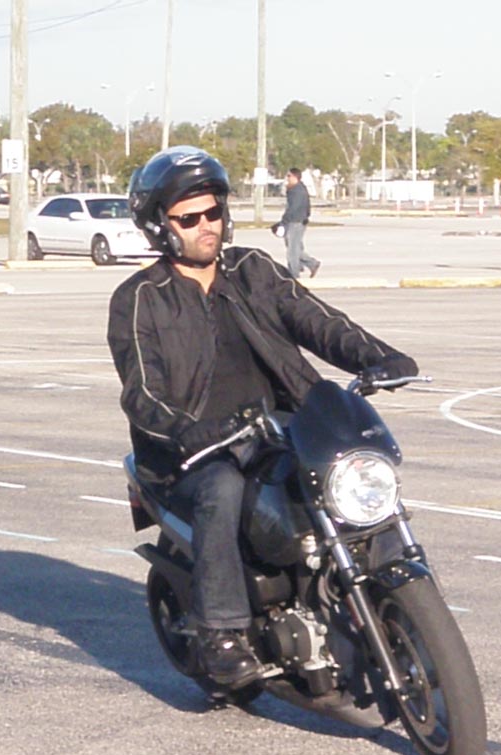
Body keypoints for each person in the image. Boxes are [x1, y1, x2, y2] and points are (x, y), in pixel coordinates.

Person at [107, 146, 417, 686]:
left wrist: (378, 357)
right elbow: (142, 393)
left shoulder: (253, 270)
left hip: (279, 427)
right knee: (222, 488)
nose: (207, 225)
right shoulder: (140, 298)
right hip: (197, 451)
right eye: (189, 218)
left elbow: (319, 321)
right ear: (160, 226)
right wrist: (189, 431)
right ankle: (221, 633)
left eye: (213, 212)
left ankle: (401, 586)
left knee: (353, 468)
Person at [274, 167, 320, 278]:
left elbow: (293, 208)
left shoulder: (297, 191)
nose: (287, 178)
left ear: (295, 177)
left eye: (289, 176)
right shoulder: (297, 189)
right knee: (296, 248)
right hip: (297, 221)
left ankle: (294, 274)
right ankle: (311, 264)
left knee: (292, 250)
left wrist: (284, 221)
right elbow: (307, 207)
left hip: (295, 222)